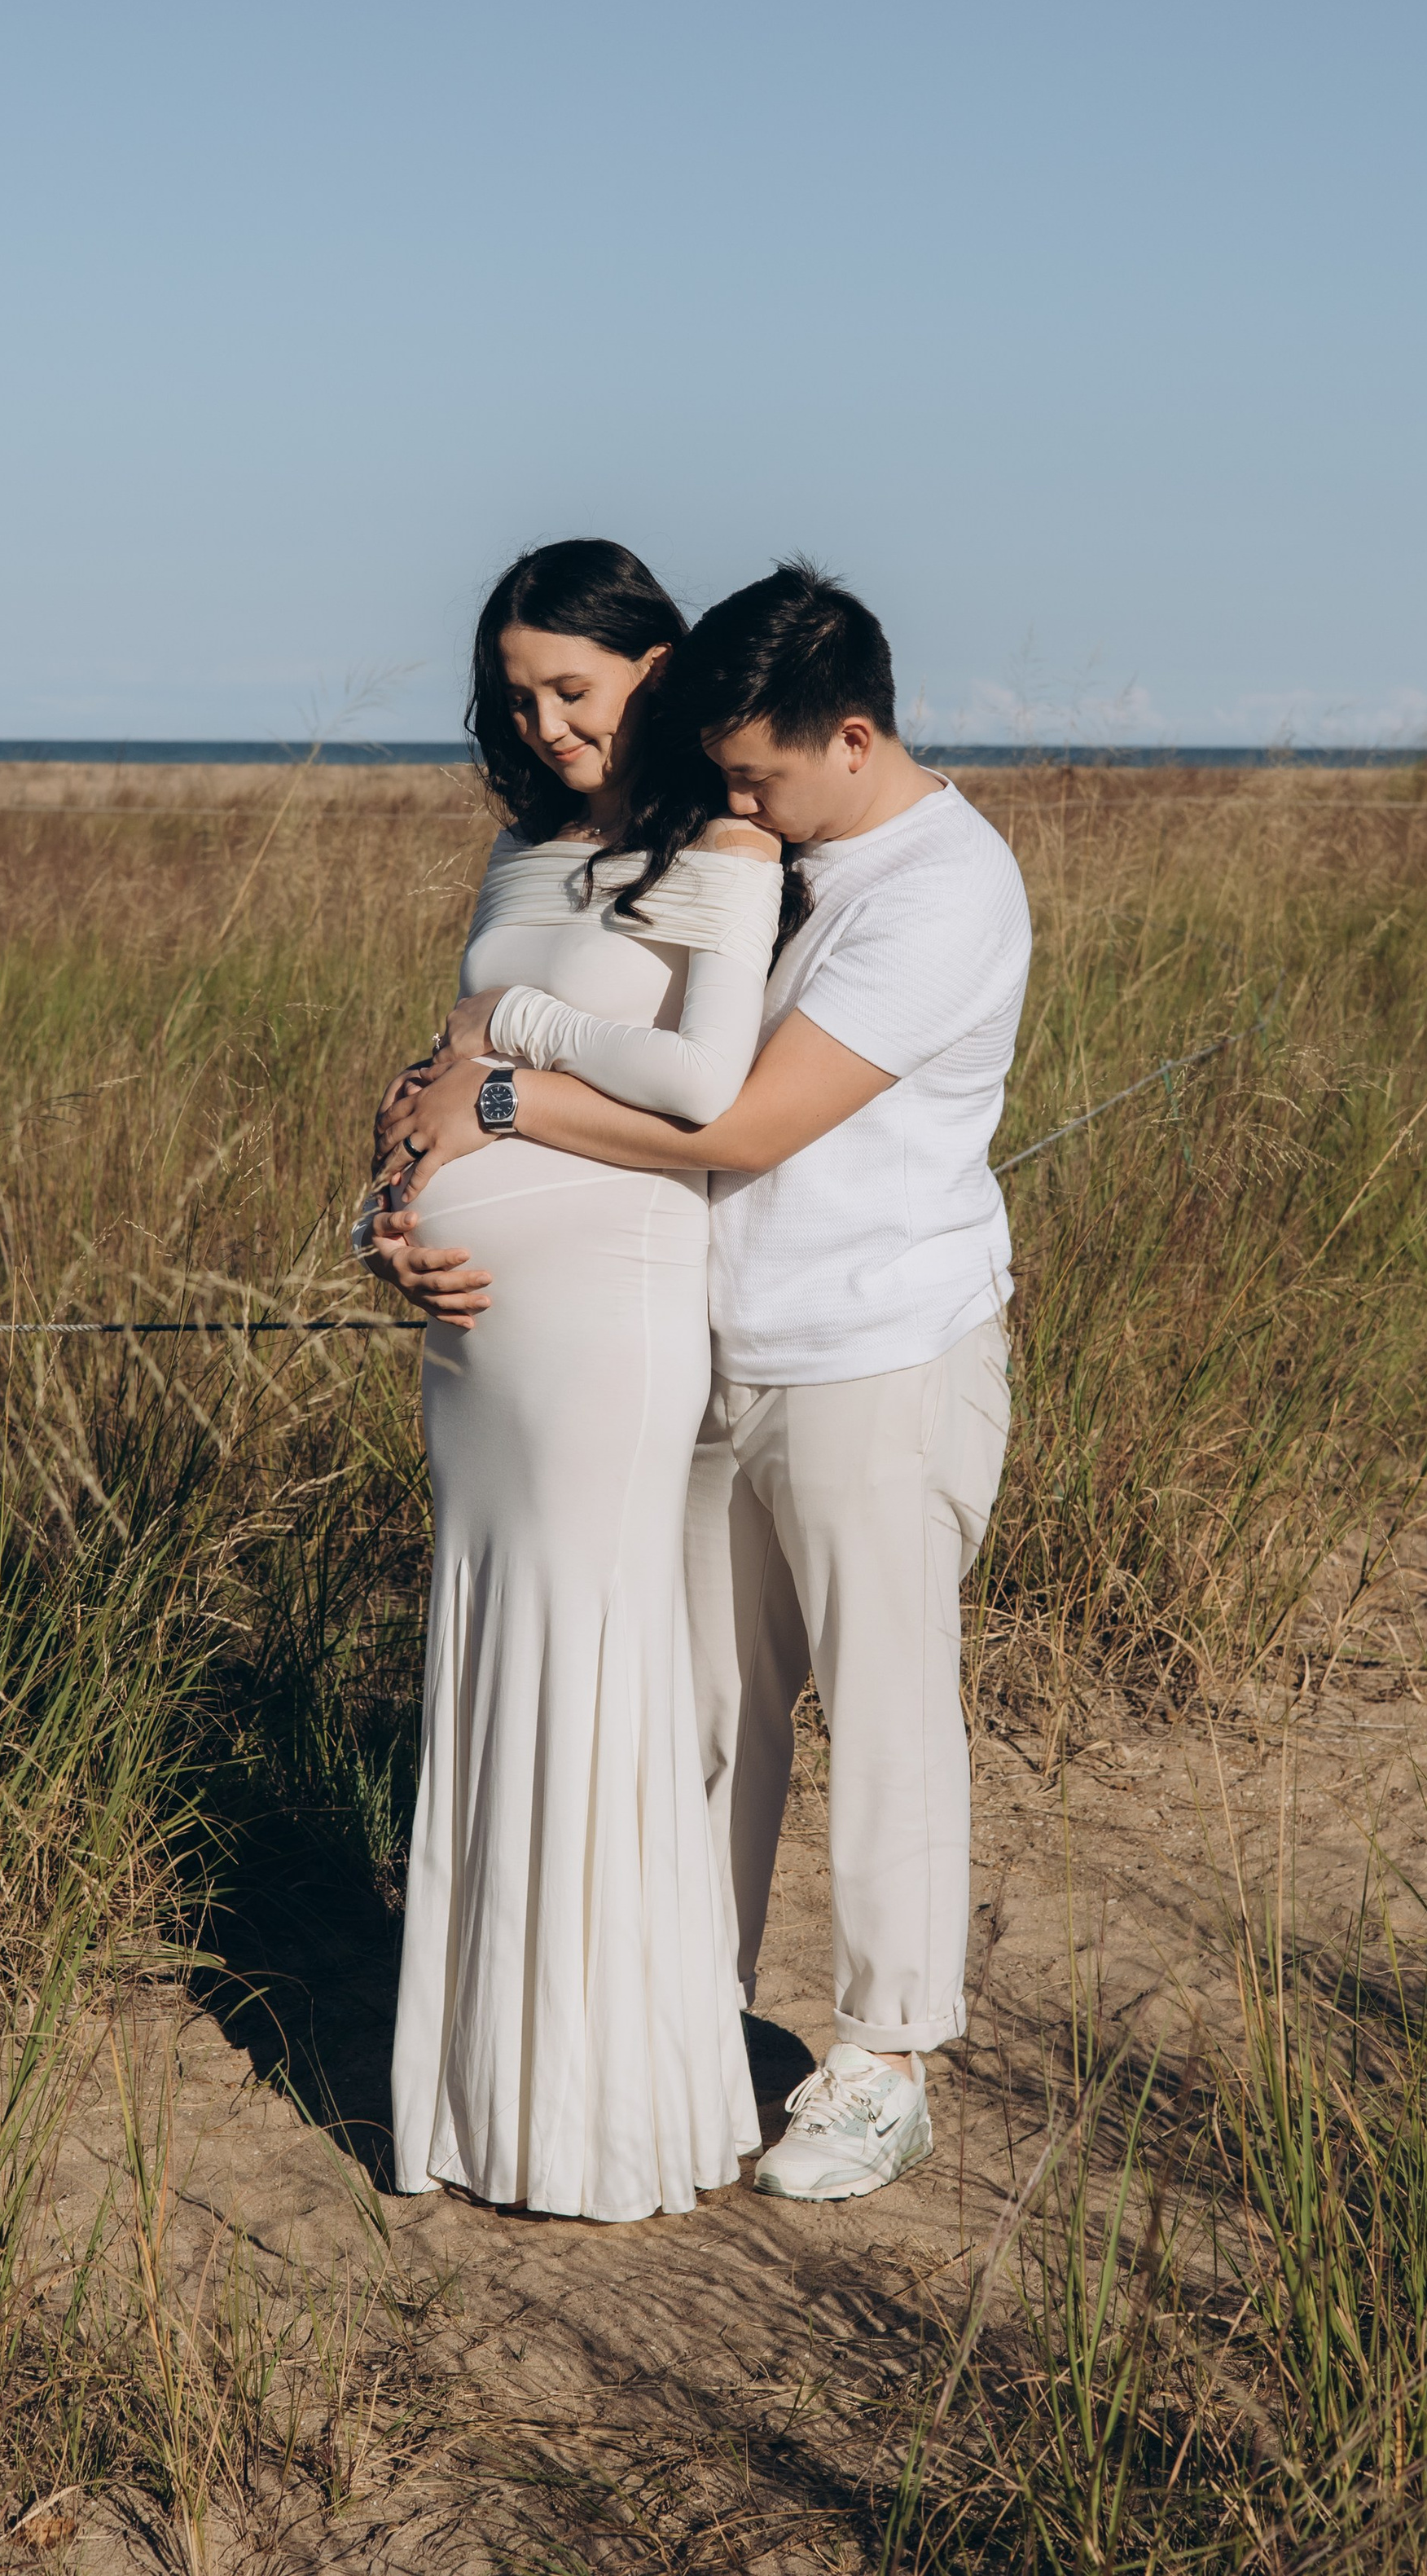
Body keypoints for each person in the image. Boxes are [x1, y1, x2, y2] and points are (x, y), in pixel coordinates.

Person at [380, 562, 1032, 2203]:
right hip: (709, 1349)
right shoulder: (769, 845)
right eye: (726, 768)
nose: (740, 797)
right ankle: (694, 2020)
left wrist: (505, 1104)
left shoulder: (936, 888)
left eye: (762, 772)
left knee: (884, 1713)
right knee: (707, 1719)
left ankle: (883, 2057)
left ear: (855, 734)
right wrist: (412, 1175)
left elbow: (732, 1123)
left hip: (871, 1345)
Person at [361, 538, 787, 2222]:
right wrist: (380, 1226)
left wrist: (524, 1023)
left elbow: (700, 1075)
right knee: (490, 1650)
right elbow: (429, 1083)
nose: (543, 724)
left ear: (658, 672)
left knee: (595, 1657)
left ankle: (609, 2105)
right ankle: (487, 2096)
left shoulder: (724, 849)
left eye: (576, 688)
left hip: (610, 1312)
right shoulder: (516, 850)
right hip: (471, 1335)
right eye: (518, 692)